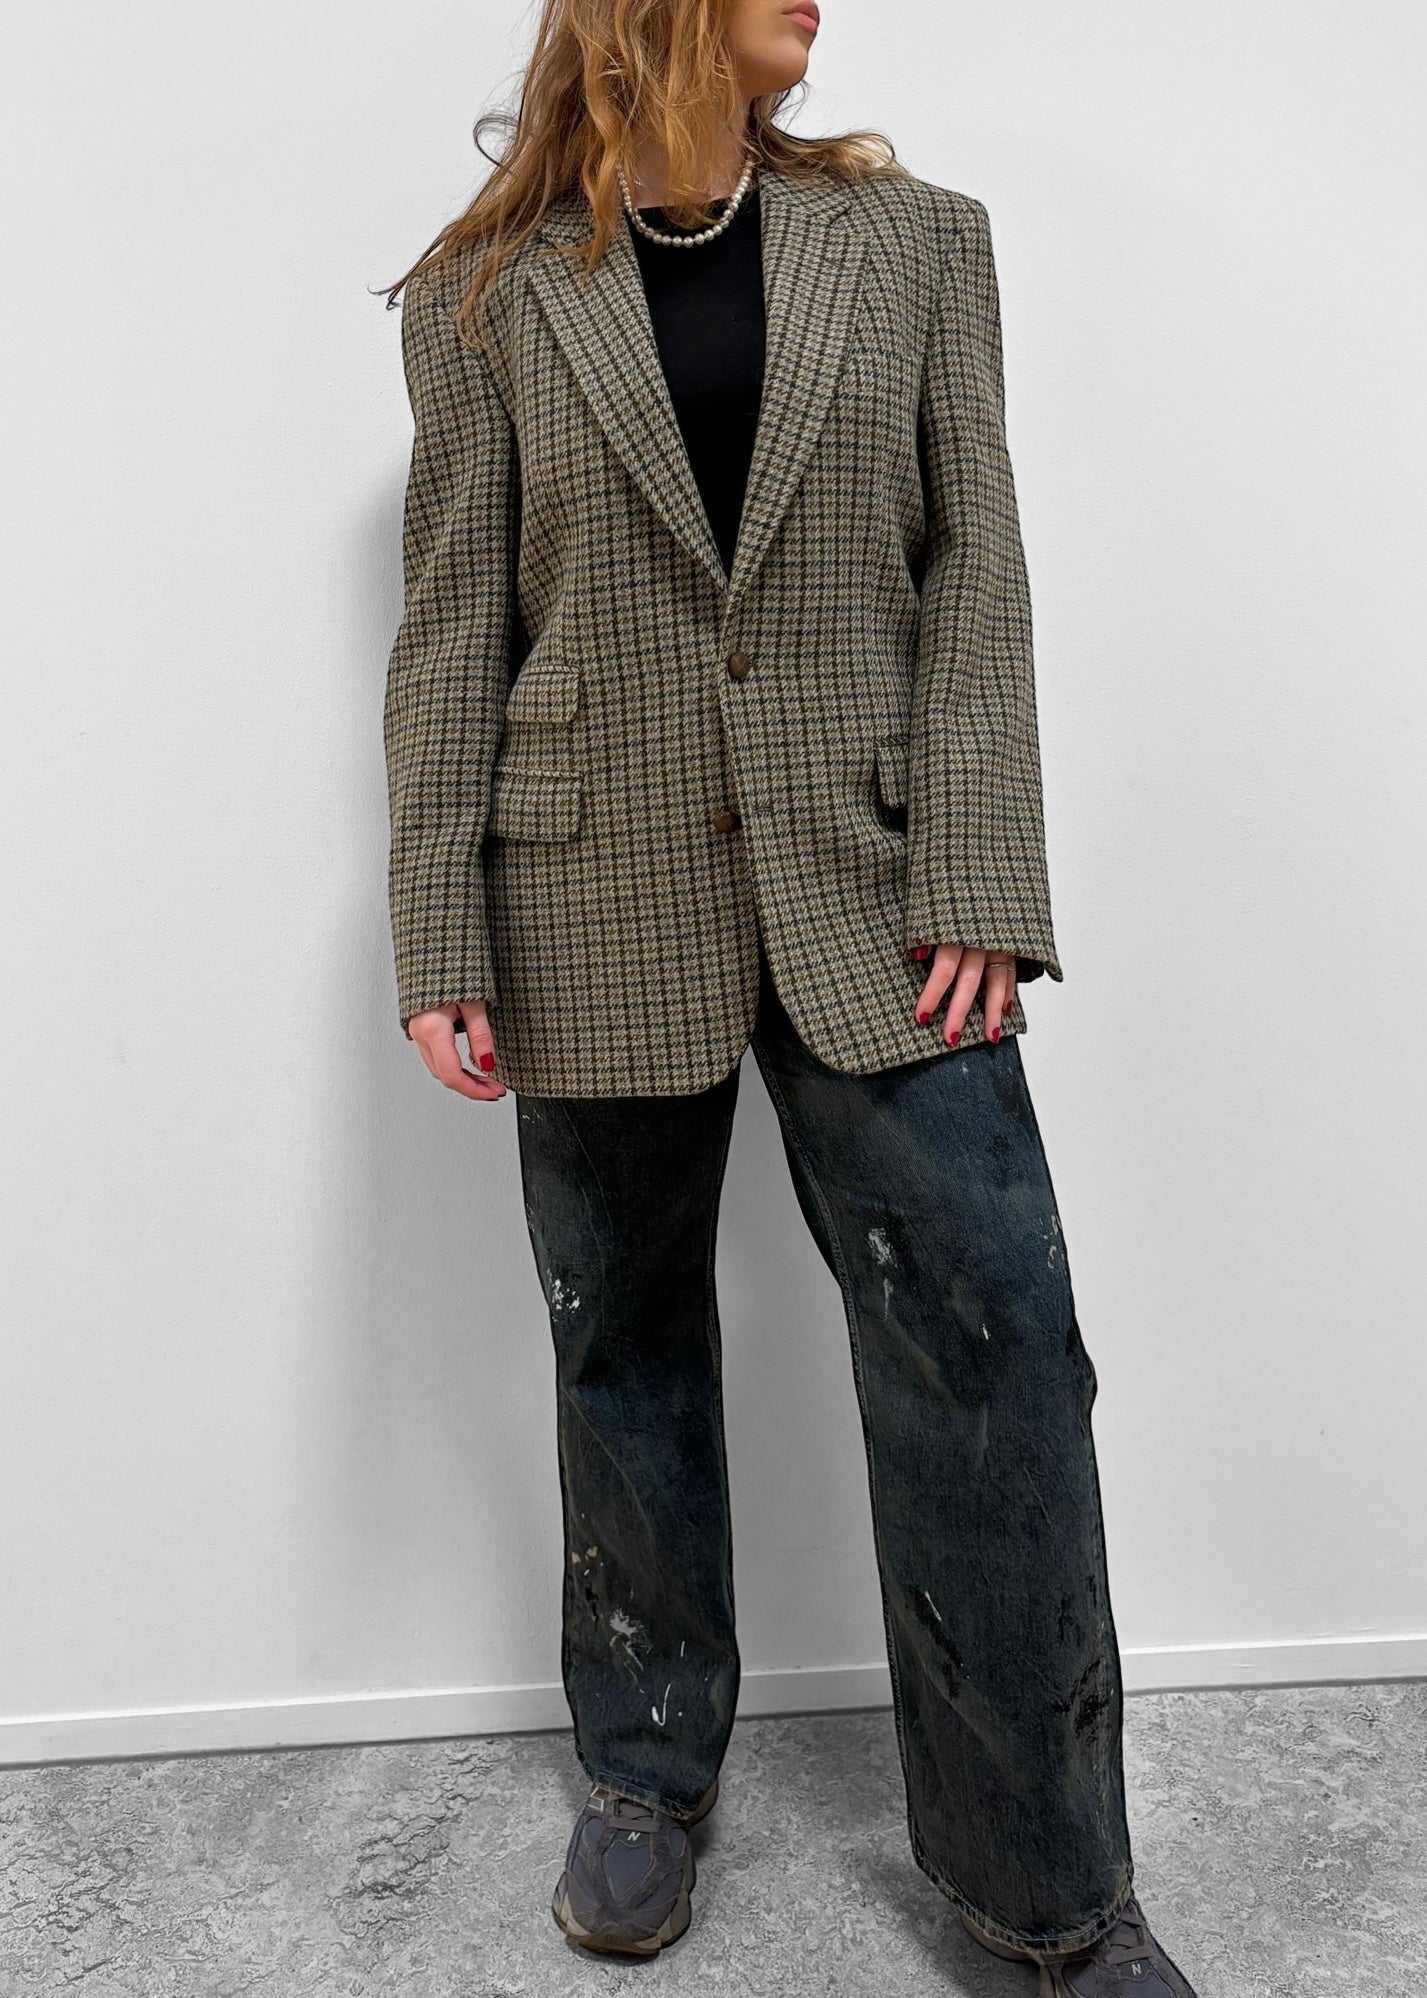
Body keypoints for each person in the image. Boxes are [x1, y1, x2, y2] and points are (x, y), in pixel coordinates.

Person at [380, 3, 1199, 1992]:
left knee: (996, 1355)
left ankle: (1046, 1889)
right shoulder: (487, 294)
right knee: (623, 1343)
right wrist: (439, 929)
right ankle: (644, 1766)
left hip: (885, 892)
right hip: (590, 891)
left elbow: (978, 562)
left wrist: (984, 871)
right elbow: (452, 624)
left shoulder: (919, 243)